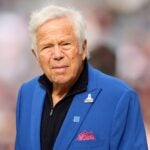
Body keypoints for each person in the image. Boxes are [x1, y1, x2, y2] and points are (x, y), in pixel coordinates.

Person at [15, 5, 148, 150]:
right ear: (36, 55)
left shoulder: (120, 97)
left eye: (65, 44)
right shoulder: (27, 93)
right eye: (47, 47)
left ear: (83, 48)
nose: (57, 54)